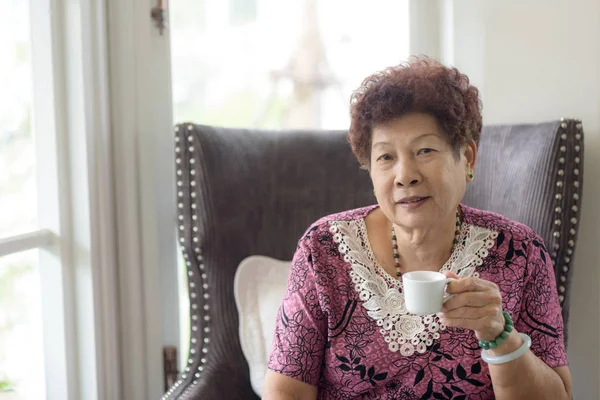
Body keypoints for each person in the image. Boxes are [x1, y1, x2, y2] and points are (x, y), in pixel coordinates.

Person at [262, 56, 572, 400]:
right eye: (385, 157)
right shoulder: (323, 250)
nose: (405, 175)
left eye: (424, 150)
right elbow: (284, 392)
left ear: (467, 158)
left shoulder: (520, 253)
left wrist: (498, 335)